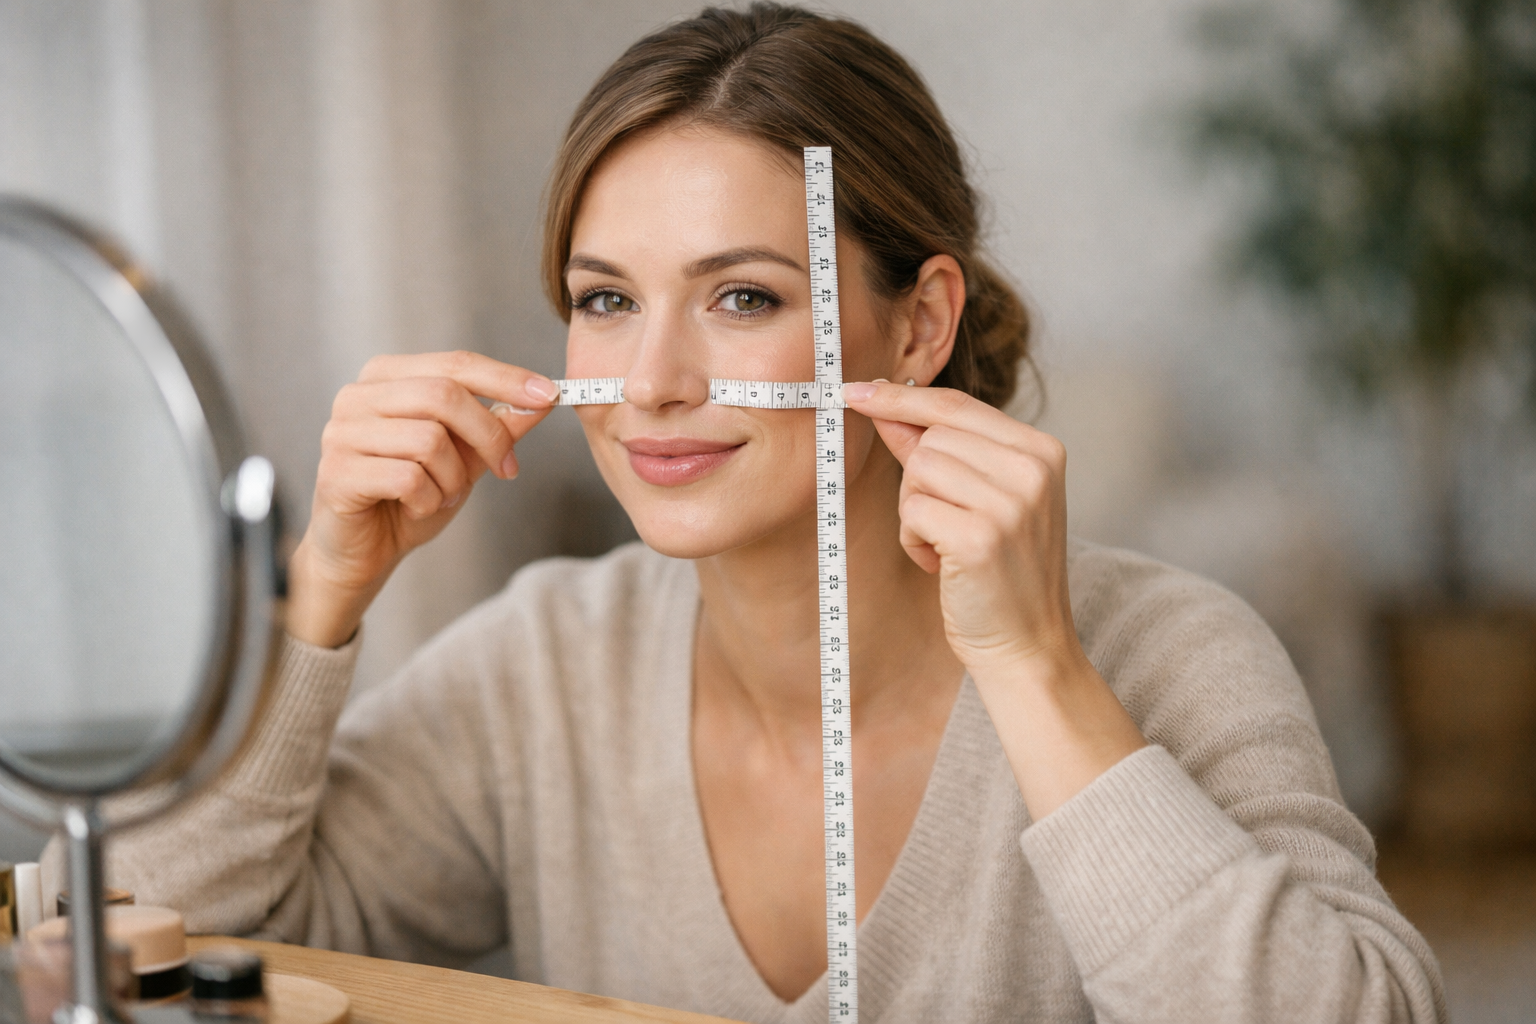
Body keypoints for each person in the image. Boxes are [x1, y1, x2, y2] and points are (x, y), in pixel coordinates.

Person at [96, 5, 1444, 1022]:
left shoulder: (1170, 650)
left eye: (744, 296)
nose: (655, 383)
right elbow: (151, 941)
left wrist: (1040, 676)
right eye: (607, 300)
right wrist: (320, 586)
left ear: (915, 326)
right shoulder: (547, 666)